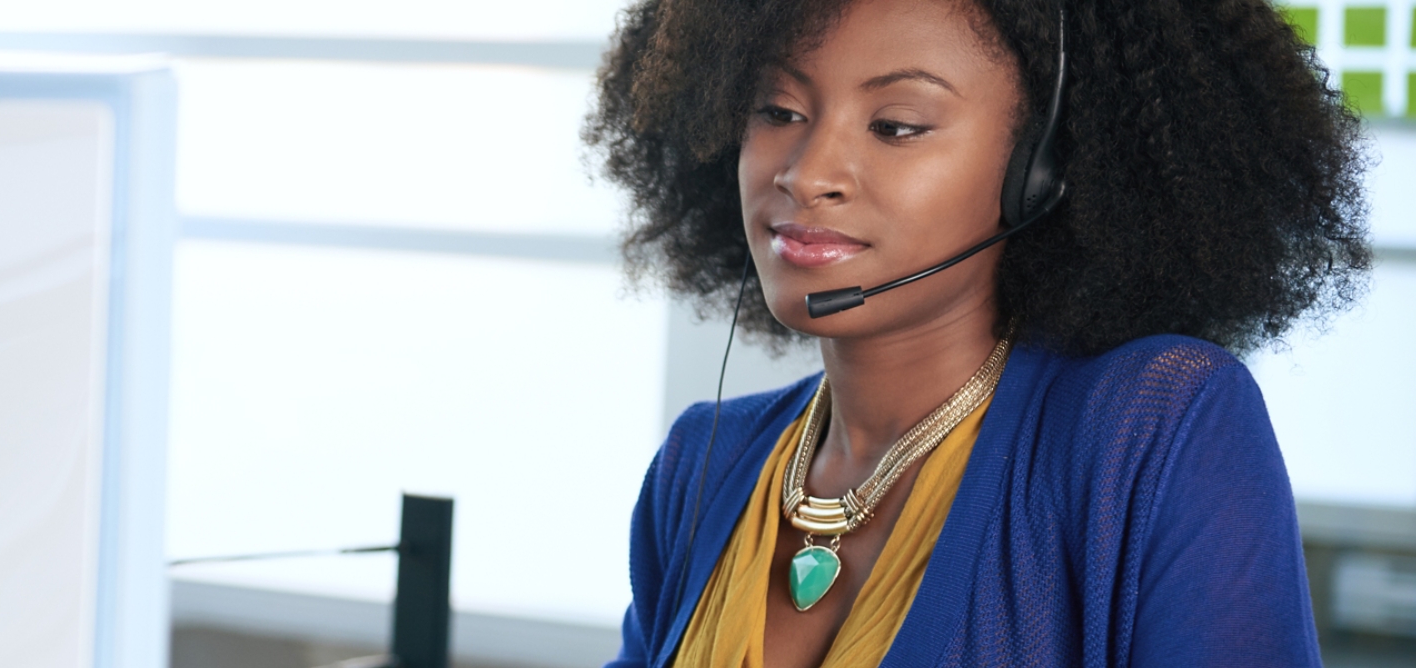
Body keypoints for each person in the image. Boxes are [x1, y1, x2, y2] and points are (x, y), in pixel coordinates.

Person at [583, 0, 1369, 665]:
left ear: (1043, 170)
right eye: (778, 110)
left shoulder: (1152, 429)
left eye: (894, 125)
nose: (807, 170)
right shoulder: (702, 463)